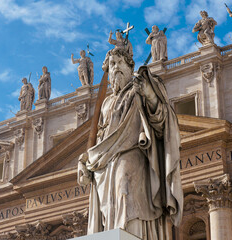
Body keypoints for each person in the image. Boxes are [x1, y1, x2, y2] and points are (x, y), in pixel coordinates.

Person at [78, 48, 183, 239]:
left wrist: (149, 94)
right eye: (112, 64)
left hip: (132, 153)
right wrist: (87, 159)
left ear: (130, 66)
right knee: (108, 206)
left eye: (119, 63)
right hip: (106, 162)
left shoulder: (141, 89)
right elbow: (101, 136)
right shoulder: (107, 103)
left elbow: (161, 120)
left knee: (124, 191)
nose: (115, 67)